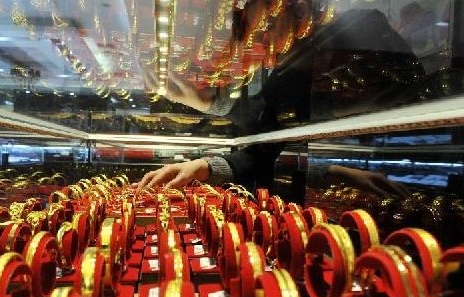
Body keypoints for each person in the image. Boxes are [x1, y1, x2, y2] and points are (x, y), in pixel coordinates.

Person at [135, 3, 425, 198]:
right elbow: (268, 127)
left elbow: (275, 121)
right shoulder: (292, 67)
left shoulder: (359, 33)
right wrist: (206, 162)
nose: (264, 50)